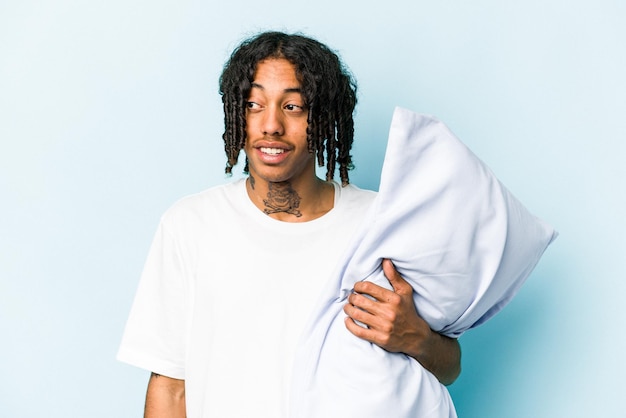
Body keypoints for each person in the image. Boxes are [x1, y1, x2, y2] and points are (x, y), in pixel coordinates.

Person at [118, 31, 461, 417]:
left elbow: (449, 366)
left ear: (324, 117)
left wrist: (415, 337)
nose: (271, 125)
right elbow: (170, 386)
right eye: (253, 104)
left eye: (294, 106)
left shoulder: (381, 224)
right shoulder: (191, 225)